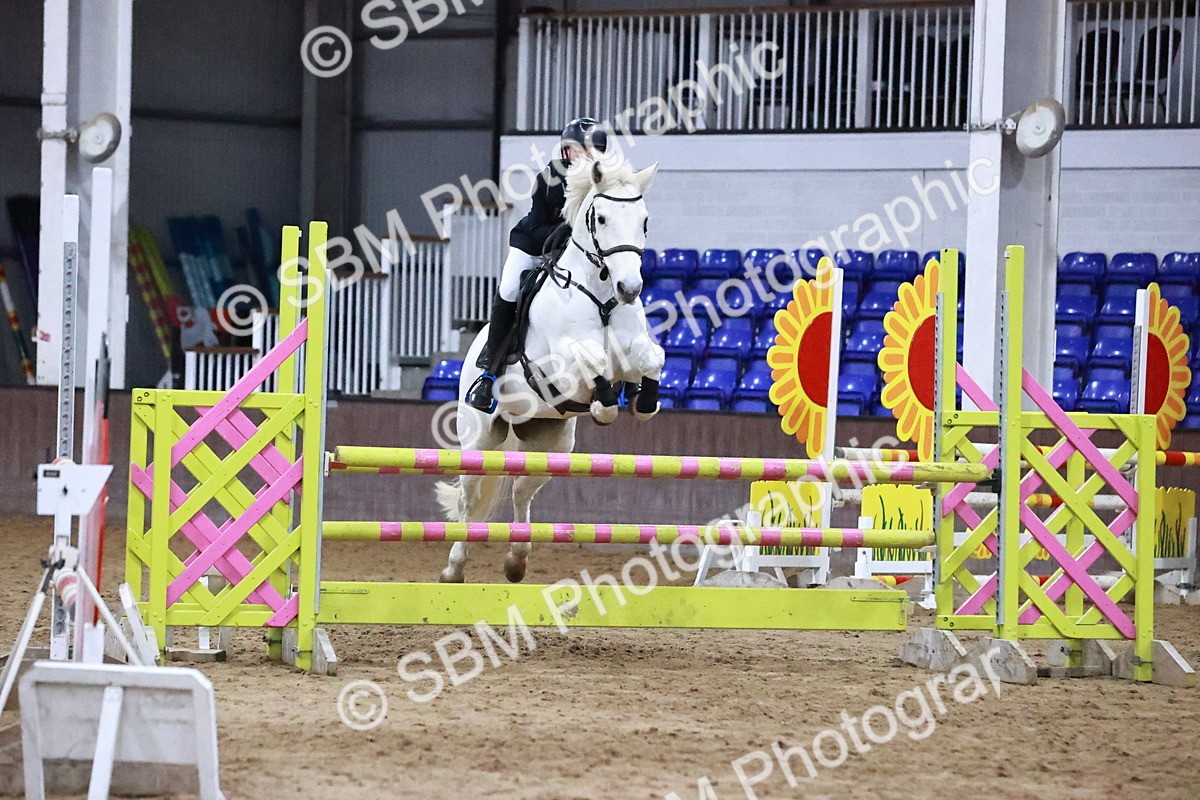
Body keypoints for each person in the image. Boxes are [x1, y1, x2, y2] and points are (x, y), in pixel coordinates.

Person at [465, 116, 609, 413]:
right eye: (580, 150)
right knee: (509, 289)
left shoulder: (605, 184)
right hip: (532, 245)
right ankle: (489, 372)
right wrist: (570, 235)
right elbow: (538, 226)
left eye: (593, 151)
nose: (587, 156)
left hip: (574, 258)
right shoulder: (551, 178)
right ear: (566, 152)